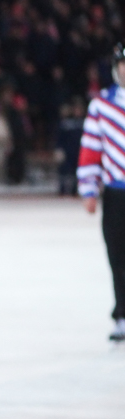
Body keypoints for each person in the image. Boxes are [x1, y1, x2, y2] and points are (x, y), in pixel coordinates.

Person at [77, 43, 125, 342]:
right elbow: (91, 149)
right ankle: (122, 314)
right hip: (117, 193)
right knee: (118, 255)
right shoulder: (102, 106)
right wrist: (88, 189)